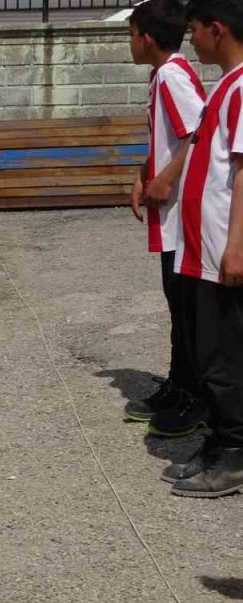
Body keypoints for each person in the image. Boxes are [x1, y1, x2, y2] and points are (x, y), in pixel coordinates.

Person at [164, 0, 243, 497]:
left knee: (225, 356)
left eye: (194, 30)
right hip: (201, 248)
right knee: (207, 349)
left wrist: (236, 246)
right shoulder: (226, 85)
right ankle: (220, 440)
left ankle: (235, 453)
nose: (190, 39)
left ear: (217, 29)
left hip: (221, 250)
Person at [125, 0, 207, 436]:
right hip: (172, 216)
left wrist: (167, 181)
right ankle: (179, 385)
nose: (131, 42)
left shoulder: (173, 78)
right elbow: (172, 139)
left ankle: (194, 398)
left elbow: (199, 132)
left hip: (181, 220)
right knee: (178, 306)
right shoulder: (165, 75)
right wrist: (145, 173)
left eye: (132, 33)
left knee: (186, 308)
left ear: (147, 38)